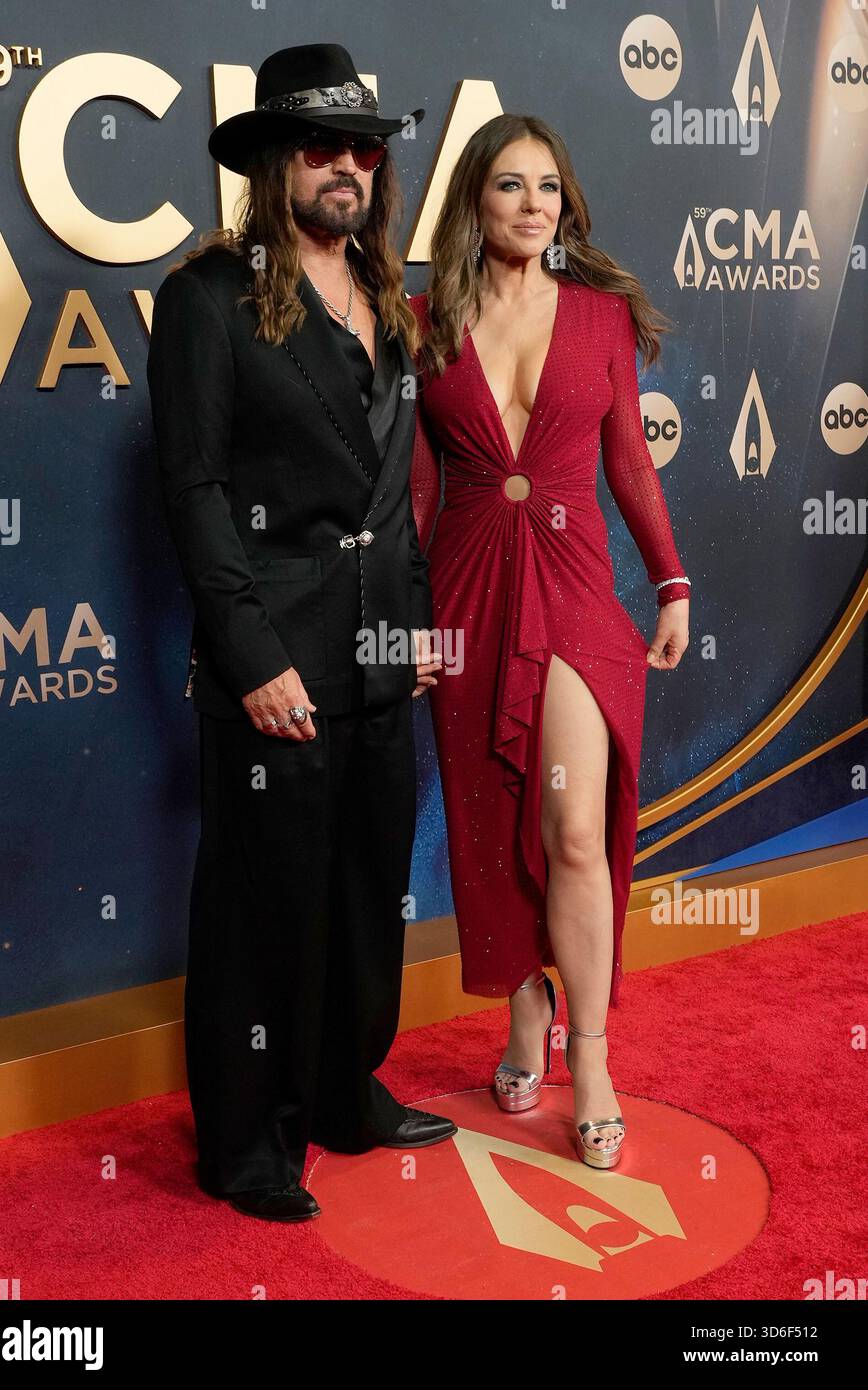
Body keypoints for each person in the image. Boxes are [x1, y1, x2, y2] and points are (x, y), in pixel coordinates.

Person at [147, 43, 455, 1224]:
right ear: (275, 166)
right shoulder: (206, 297)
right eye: (319, 148)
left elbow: (396, 489)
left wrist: (417, 625)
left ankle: (342, 1089)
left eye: (362, 152)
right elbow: (193, 491)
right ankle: (246, 1141)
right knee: (261, 902)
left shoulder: (387, 297)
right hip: (274, 657)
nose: (344, 168)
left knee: (370, 885)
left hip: (382, 652)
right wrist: (251, 654)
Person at [409, 114, 690, 1170]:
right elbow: (419, 491)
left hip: (573, 589)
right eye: (509, 187)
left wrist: (670, 582)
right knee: (489, 827)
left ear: (564, 203)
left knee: (574, 827)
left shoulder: (600, 314)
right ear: (474, 203)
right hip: (466, 589)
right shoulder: (423, 315)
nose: (533, 205)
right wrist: (402, 624)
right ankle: (522, 1014)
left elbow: (630, 463)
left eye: (547, 188)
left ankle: (593, 1053)